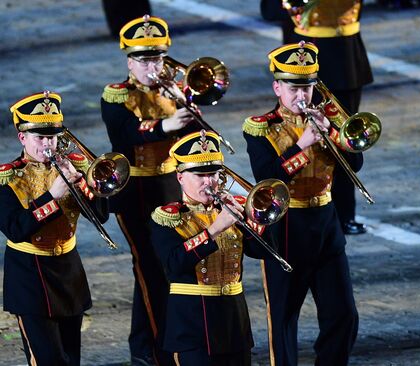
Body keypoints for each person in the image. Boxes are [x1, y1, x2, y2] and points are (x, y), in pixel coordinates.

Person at [242, 41, 360, 366]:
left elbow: (357, 165)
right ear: (277, 86)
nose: (302, 96)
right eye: (294, 87)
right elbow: (267, 176)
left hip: (326, 223)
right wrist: (303, 145)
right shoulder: (260, 128)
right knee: (283, 320)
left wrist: (335, 136)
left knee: (344, 315)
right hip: (285, 226)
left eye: (307, 87)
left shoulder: (326, 118)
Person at [100, 14, 200, 366]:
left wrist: (191, 114)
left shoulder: (174, 90)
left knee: (169, 267)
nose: (152, 66)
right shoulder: (116, 96)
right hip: (137, 191)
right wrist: (166, 124)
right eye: (144, 59)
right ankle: (157, 350)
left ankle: (145, 341)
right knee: (151, 268)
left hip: (172, 185)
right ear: (130, 61)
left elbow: (192, 143)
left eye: (157, 58)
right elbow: (126, 135)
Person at [0, 91, 109, 365]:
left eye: (52, 137)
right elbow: (15, 228)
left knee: (71, 358)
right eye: (40, 137)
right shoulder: (8, 178)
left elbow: (101, 217)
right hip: (30, 276)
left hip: (68, 272)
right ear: (22, 137)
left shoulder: (71, 167)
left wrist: (90, 189)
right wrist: (53, 196)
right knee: (48, 360)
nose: (48, 144)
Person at [149, 129, 269, 365]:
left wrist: (249, 219)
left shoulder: (232, 211)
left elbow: (265, 251)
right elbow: (174, 265)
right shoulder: (168, 218)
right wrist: (215, 229)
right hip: (192, 329)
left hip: (234, 324)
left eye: (213, 174)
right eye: (200, 175)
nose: (209, 181)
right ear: (180, 176)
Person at [281, 0, 374, 235]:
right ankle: (301, 212)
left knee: (342, 135)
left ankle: (344, 214)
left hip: (346, 53)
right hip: (305, 51)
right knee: (299, 134)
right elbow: (270, 9)